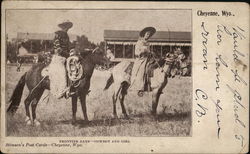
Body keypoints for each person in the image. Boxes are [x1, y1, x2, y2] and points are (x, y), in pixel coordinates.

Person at [48, 20, 73, 99]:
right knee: (62, 73)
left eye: (68, 27)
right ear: (62, 27)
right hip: (59, 58)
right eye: (66, 26)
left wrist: (72, 51)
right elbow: (58, 49)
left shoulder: (67, 36)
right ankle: (62, 92)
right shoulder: (57, 34)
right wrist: (67, 53)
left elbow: (69, 47)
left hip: (66, 57)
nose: (67, 28)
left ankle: (71, 88)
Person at [130, 27, 156, 96]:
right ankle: (139, 88)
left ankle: (150, 86)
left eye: (149, 34)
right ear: (144, 34)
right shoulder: (139, 42)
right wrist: (142, 51)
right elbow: (136, 52)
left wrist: (151, 53)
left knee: (152, 68)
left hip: (147, 59)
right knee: (142, 70)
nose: (148, 35)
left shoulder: (148, 43)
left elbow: (149, 51)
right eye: (147, 34)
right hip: (140, 59)